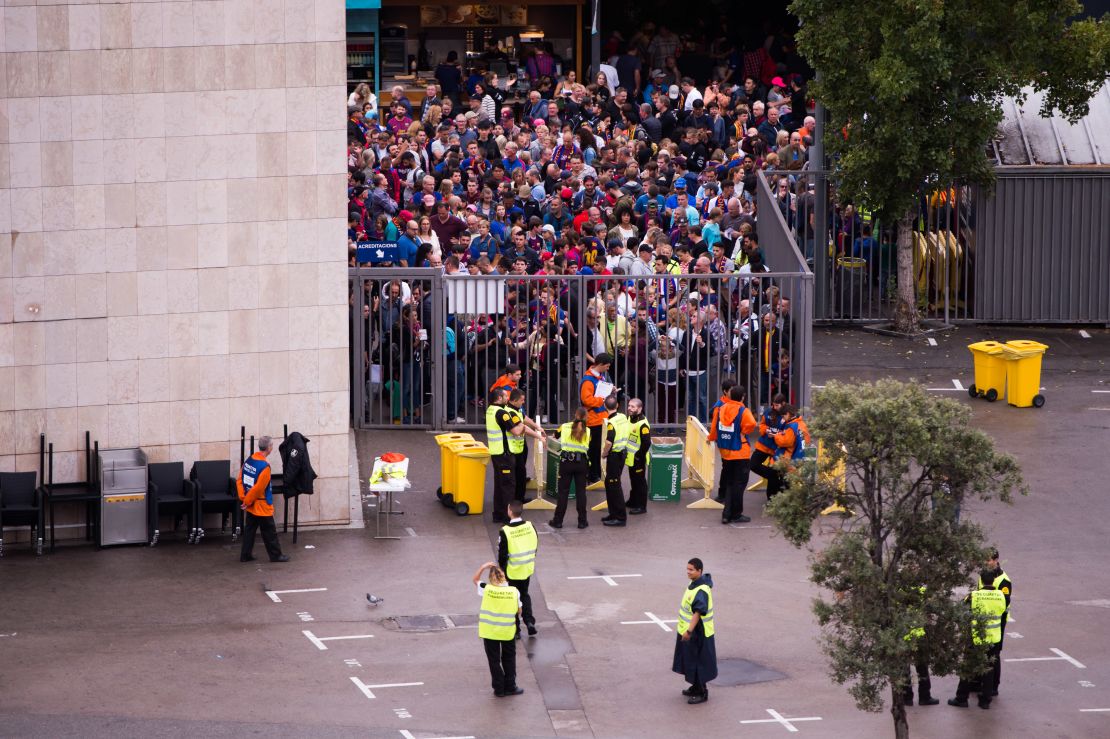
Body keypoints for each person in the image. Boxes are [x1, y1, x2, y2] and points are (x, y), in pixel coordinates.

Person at [949, 572, 1008, 710]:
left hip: (976, 637)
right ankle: (985, 701)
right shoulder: (1001, 596)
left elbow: (962, 611)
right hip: (993, 637)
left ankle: (962, 698)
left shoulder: (974, 596)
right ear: (993, 581)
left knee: (968, 667)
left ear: (981, 580)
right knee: (988, 669)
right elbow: (1004, 612)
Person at [473, 561, 524, 697]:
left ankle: (499, 689)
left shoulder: (487, 588)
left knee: (494, 660)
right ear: (505, 577)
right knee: (509, 658)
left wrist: (483, 566)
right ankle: (510, 686)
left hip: (489, 631)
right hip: (507, 631)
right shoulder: (514, 591)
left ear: (491, 578)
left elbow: (475, 580)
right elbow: (519, 610)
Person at [708, 385, 757, 524]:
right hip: (740, 451)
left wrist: (711, 438)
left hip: (726, 450)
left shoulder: (722, 408)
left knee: (730, 483)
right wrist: (744, 431)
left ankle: (726, 514)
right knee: (739, 484)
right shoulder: (743, 410)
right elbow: (752, 424)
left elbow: (714, 426)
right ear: (742, 397)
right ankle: (735, 514)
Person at [237, 435, 289, 563]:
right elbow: (259, 489)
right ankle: (276, 555)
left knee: (250, 530)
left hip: (250, 503)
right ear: (269, 448)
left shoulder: (249, 460)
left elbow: (240, 480)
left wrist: (244, 498)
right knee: (269, 531)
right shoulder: (265, 467)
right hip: (261, 504)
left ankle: (245, 555)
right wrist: (247, 501)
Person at [673, 557, 717, 704]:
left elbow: (698, 612)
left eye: (691, 569)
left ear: (700, 571)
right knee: (691, 659)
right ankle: (696, 686)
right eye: (687, 569)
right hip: (691, 629)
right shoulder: (694, 584)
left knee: (699, 661)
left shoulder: (701, 590)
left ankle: (702, 692)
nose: (688, 572)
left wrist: (689, 632)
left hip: (699, 632)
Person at [498, 500, 539, 637]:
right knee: (525, 594)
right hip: (526, 568)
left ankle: (516, 630)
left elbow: (502, 555)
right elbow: (535, 545)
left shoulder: (505, 531)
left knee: (512, 598)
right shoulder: (530, 526)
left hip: (512, 571)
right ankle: (529, 621)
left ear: (509, 511)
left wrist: (502, 570)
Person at [977, 548, 1013, 695]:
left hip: (998, 620)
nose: (986, 562)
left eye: (989, 560)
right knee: (981, 650)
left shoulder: (1003, 580)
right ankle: (980, 682)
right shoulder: (984, 574)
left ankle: (993, 686)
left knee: (994, 653)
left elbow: (1004, 602)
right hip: (982, 618)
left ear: (996, 560)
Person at [550, 407, 590, 530]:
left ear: (575, 415)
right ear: (586, 417)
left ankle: (558, 521)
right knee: (581, 492)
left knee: (563, 493)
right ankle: (582, 522)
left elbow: (555, 436)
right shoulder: (588, 430)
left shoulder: (564, 426)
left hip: (566, 462)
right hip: (581, 463)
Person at [579, 353, 615, 484]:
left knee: (597, 449)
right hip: (593, 421)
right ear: (600, 365)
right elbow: (586, 400)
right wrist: (602, 399)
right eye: (607, 366)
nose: (608, 368)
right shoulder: (588, 380)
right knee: (593, 450)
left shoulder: (598, 376)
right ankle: (593, 475)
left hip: (600, 419)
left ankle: (595, 473)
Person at [506, 388, 546, 502]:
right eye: (522, 400)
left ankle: (519, 497)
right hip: (513, 449)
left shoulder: (517, 409)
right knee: (518, 475)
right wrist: (539, 437)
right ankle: (517, 500)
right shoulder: (511, 412)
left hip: (520, 446)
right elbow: (523, 428)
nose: (523, 402)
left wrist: (537, 427)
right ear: (514, 401)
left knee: (521, 474)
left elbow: (525, 418)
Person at [486, 387, 517, 524]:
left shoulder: (489, 410)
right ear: (499, 398)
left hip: (495, 453)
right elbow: (515, 430)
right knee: (508, 486)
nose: (507, 399)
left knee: (499, 485)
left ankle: (498, 514)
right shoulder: (501, 413)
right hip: (504, 455)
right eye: (505, 396)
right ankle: (509, 517)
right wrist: (522, 427)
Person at [600, 395, 630, 527]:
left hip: (614, 456)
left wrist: (604, 454)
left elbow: (609, 442)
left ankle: (620, 517)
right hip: (622, 454)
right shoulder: (623, 417)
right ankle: (613, 513)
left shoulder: (611, 423)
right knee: (609, 484)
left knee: (614, 486)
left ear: (605, 406)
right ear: (617, 405)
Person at [748, 393, 785, 494]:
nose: (774, 407)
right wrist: (766, 430)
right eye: (773, 404)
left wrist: (777, 435)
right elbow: (762, 425)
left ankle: (772, 496)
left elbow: (788, 432)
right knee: (753, 465)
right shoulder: (768, 411)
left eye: (777, 405)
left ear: (783, 404)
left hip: (777, 449)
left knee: (776, 473)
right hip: (764, 444)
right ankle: (774, 477)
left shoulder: (787, 415)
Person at [624, 397, 651, 514]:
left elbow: (646, 443)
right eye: (629, 406)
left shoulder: (643, 424)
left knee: (640, 482)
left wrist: (638, 456)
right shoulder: (630, 418)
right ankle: (633, 500)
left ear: (639, 408)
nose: (629, 408)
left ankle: (641, 506)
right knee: (633, 480)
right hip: (630, 457)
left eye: (633, 407)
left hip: (638, 458)